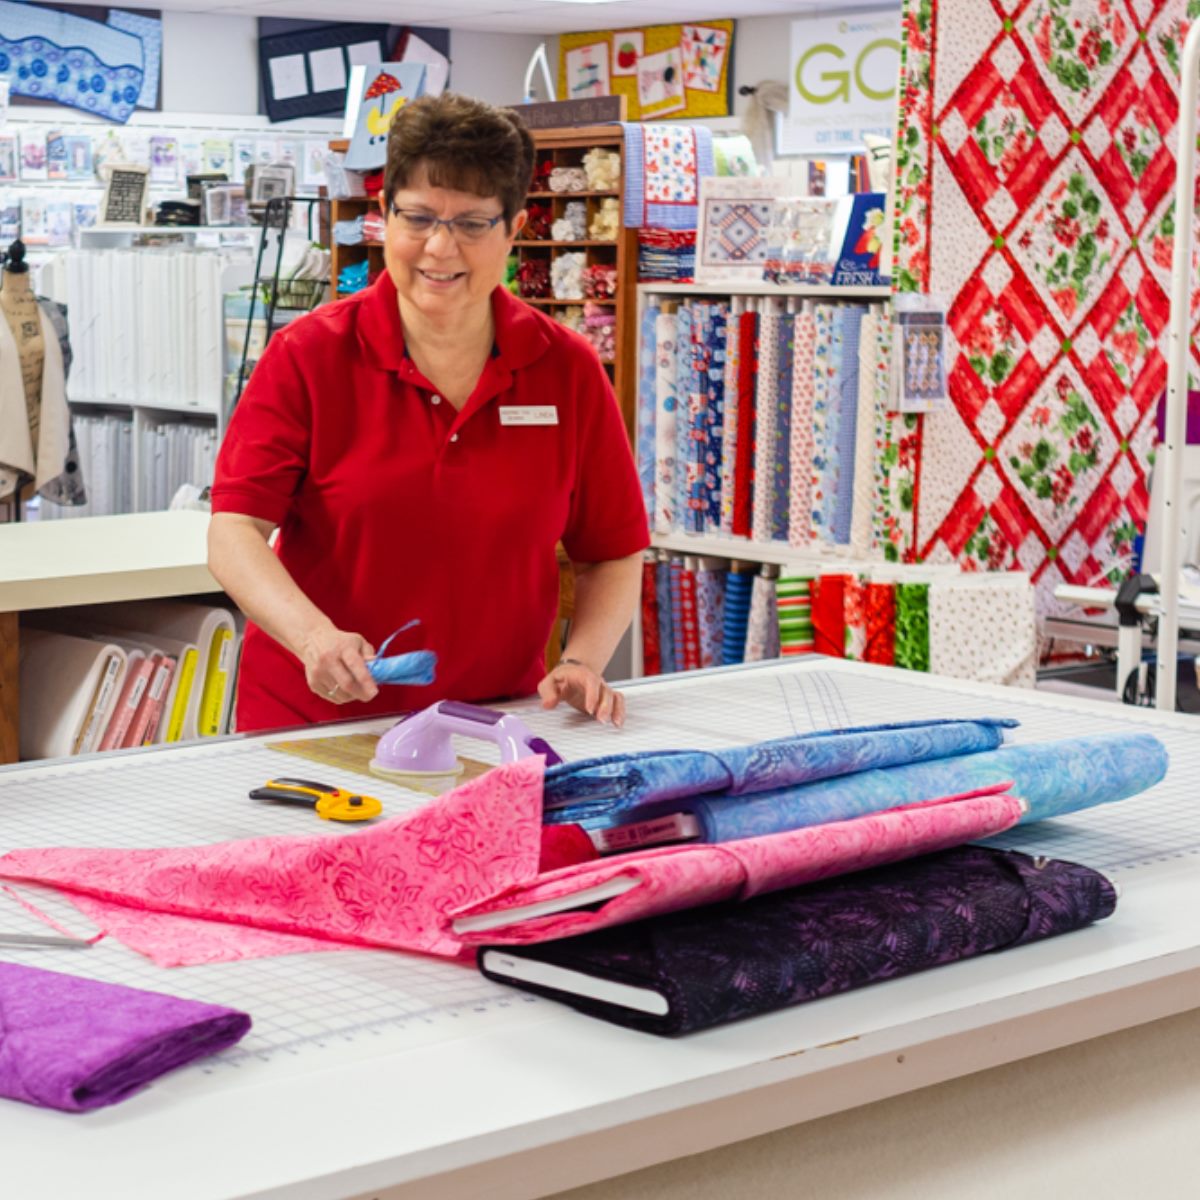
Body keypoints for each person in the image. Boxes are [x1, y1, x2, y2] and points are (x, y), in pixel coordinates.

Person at [208, 93, 649, 734]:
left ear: (514, 228)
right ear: (384, 215)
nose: (440, 248)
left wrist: (581, 660)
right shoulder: (308, 355)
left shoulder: (566, 369)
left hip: (492, 723)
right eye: (417, 218)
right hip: (317, 725)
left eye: (471, 224)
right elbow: (234, 532)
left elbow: (611, 551)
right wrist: (312, 638)